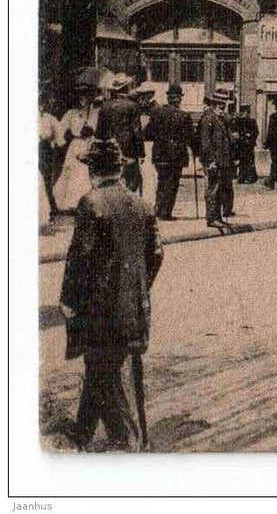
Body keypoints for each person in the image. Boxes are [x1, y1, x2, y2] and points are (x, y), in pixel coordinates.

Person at [60, 138, 164, 451]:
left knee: (102, 371)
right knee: (100, 367)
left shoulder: (91, 203)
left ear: (94, 170)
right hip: (134, 309)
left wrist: (69, 300)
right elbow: (157, 254)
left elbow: (80, 259)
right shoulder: (141, 203)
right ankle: (82, 431)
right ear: (119, 169)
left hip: (100, 310)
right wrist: (139, 288)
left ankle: (126, 439)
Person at [53, 72, 106, 215]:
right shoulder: (72, 113)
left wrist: (91, 129)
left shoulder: (96, 112)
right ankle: (72, 203)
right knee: (75, 171)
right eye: (81, 97)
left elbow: (98, 128)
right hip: (77, 145)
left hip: (90, 143)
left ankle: (88, 203)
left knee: (88, 172)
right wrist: (61, 142)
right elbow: (60, 128)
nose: (84, 100)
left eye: (87, 97)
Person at [145, 84, 193, 221]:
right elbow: (190, 137)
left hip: (160, 152)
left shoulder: (156, 112)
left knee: (161, 180)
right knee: (172, 183)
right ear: (179, 99)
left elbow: (148, 133)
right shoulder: (184, 116)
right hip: (176, 154)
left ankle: (159, 209)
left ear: (168, 97)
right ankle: (166, 212)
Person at [97, 73, 146, 194]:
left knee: (110, 178)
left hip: (108, 147)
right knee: (131, 180)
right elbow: (136, 132)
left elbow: (99, 133)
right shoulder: (133, 106)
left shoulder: (105, 107)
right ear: (125, 88)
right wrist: (141, 153)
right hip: (128, 148)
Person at [194, 87, 235, 228]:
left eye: (224, 104)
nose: (222, 107)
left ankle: (217, 216)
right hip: (214, 160)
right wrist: (210, 161)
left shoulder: (221, 118)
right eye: (220, 104)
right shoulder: (208, 118)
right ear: (214, 103)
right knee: (213, 188)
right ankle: (211, 217)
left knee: (220, 189)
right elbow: (206, 143)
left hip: (223, 160)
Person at [39, 91, 63, 222]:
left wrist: (52, 140)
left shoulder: (50, 118)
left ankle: (50, 206)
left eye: (43, 104)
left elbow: (59, 138)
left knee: (46, 177)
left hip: (44, 149)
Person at [231, 104, 259, 185]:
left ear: (248, 113)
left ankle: (250, 177)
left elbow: (256, 132)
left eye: (245, 112)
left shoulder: (252, 121)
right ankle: (241, 177)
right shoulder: (237, 121)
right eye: (242, 111)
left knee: (249, 161)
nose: (243, 113)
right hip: (241, 144)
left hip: (249, 144)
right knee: (241, 160)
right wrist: (237, 135)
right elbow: (234, 130)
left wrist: (250, 135)